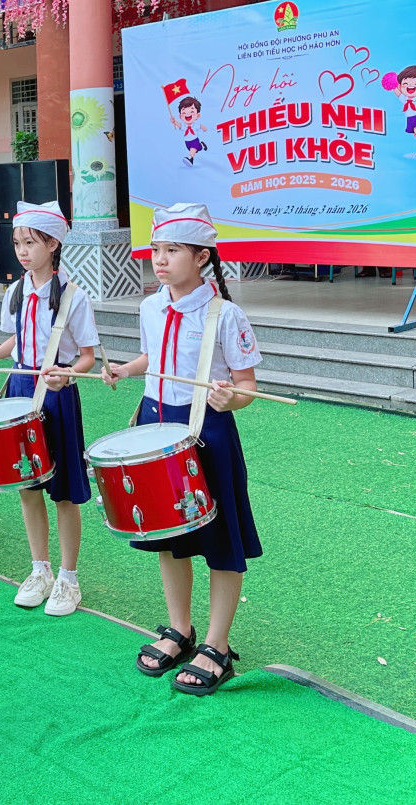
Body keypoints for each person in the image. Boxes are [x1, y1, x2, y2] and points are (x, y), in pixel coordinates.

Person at [101, 202, 263, 696]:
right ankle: (180, 629)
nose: (161, 258)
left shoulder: (225, 313)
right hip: (155, 426)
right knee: (169, 536)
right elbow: (156, 355)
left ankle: (217, 644)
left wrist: (227, 397)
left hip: (207, 432)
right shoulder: (151, 305)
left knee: (219, 540)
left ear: (201, 255)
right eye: (158, 249)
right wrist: (128, 370)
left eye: (173, 250)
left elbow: (247, 386)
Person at [0, 200, 98, 617]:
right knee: (27, 484)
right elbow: (15, 340)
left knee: (64, 490)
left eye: (31, 242)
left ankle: (68, 578)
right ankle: (39, 569)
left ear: (53, 244)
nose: (22, 251)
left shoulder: (74, 297)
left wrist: (67, 373)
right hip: (20, 387)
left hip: (57, 393)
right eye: (17, 242)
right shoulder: (15, 290)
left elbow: (87, 356)